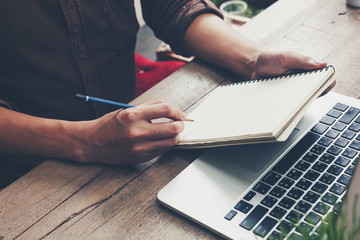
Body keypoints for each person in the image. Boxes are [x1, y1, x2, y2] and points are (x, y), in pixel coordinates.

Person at [0, 0, 334, 187]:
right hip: (25, 173)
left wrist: (252, 59)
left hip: (136, 149)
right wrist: (84, 141)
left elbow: (171, 6)